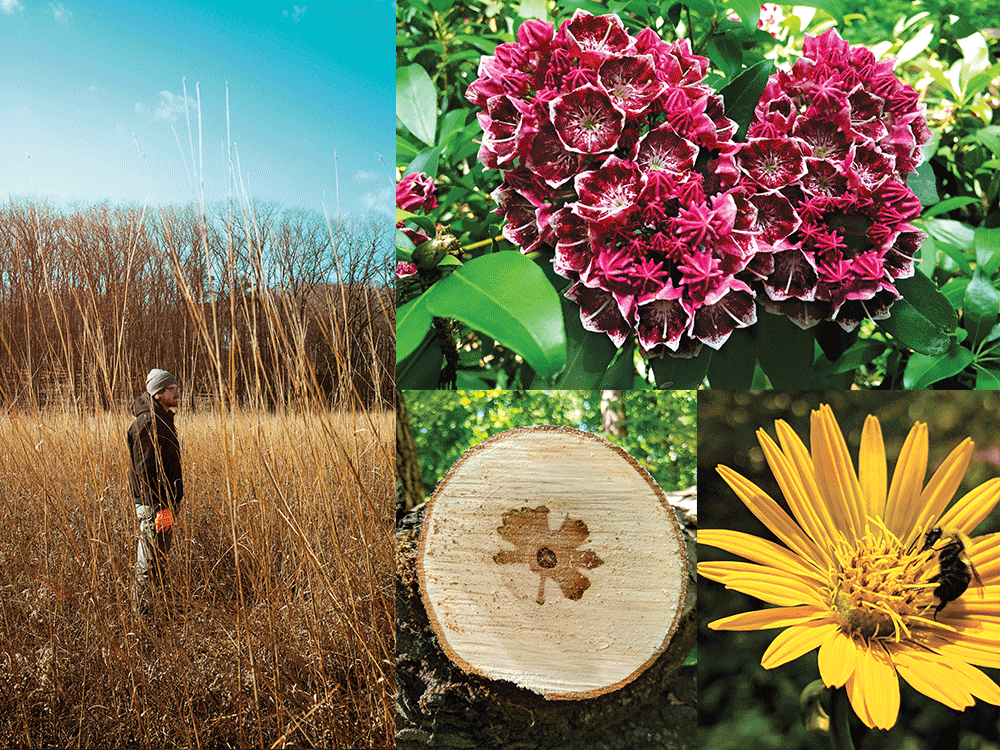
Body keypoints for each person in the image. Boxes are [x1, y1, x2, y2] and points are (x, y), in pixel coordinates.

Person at [127, 368, 184, 617]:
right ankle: (141, 615)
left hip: (163, 503)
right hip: (155, 505)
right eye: (172, 389)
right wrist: (160, 506)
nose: (177, 392)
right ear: (159, 393)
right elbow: (146, 471)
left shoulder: (162, 418)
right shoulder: (148, 423)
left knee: (158, 559)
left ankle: (156, 609)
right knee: (149, 561)